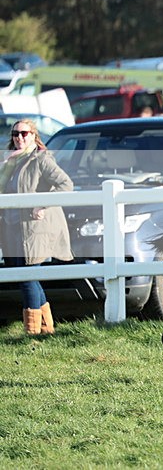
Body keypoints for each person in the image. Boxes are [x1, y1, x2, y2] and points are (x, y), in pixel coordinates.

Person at [0, 120, 73, 335]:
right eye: (16, 134)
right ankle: (45, 329)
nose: (19, 138)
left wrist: (42, 204)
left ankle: (32, 332)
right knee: (25, 276)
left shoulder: (41, 158)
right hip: (12, 227)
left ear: (34, 135)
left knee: (27, 277)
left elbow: (66, 184)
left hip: (34, 229)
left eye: (24, 133)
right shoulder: (10, 161)